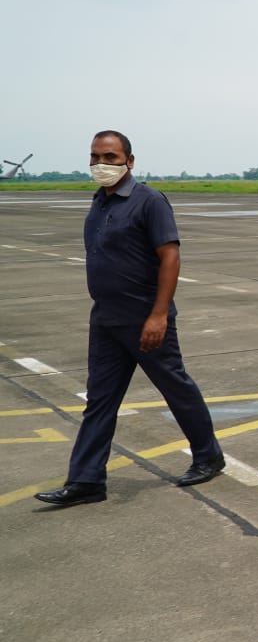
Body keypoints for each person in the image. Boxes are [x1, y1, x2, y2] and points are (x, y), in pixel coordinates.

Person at [34, 131, 225, 507]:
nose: (101, 164)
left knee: (176, 389)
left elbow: (170, 257)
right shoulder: (99, 201)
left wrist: (158, 316)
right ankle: (87, 481)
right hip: (105, 319)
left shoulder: (148, 201)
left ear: (130, 161)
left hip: (144, 319)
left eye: (110, 156)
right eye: (95, 156)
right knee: (99, 401)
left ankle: (208, 456)